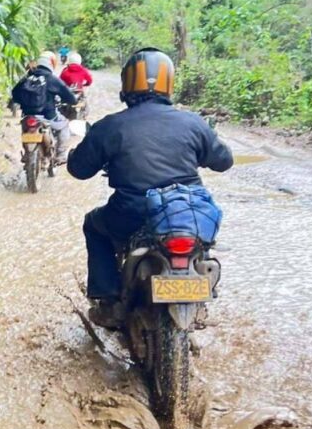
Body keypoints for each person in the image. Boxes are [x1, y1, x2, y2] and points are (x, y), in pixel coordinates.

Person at [66, 48, 233, 328]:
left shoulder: (111, 126)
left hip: (131, 213)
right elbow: (224, 161)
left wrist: (75, 153)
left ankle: (108, 300)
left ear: (127, 84)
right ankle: (202, 290)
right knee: (199, 233)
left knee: (94, 225)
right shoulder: (193, 122)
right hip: (183, 211)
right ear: (169, 83)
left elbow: (79, 170)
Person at [11, 51, 77, 160]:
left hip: (28, 116)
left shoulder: (27, 78)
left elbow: (15, 94)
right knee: (65, 125)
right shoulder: (52, 79)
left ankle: (27, 154)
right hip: (48, 116)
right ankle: (61, 155)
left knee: (25, 129)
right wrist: (72, 101)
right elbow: (70, 97)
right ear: (51, 63)